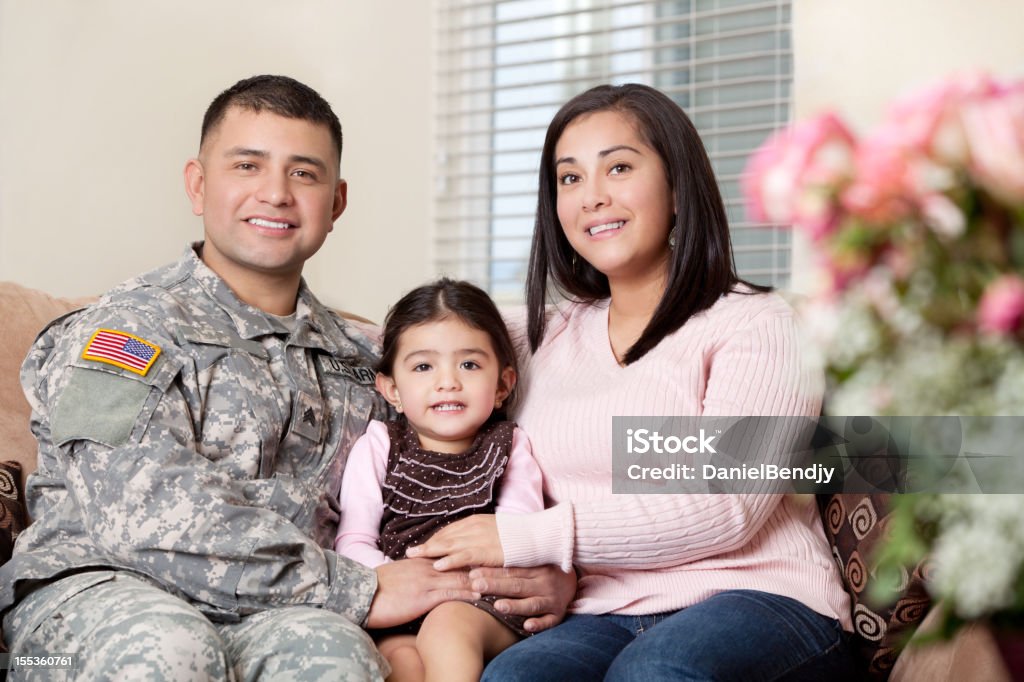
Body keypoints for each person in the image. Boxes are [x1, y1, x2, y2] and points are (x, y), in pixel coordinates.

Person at [0, 75, 573, 681]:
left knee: (340, 660)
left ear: (336, 202)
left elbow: (442, 485)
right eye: (247, 165)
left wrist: (534, 580)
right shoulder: (122, 330)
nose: (275, 193)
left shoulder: (369, 362)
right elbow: (138, 514)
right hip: (89, 602)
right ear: (198, 184)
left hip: (283, 613)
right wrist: (358, 589)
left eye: (303, 173)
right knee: (171, 652)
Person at [408, 83, 860, 680]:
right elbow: (402, 344)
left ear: (677, 186)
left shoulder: (758, 324)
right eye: (570, 179)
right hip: (602, 611)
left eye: (618, 167)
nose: (592, 197)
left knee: (656, 673)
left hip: (761, 596)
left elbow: (725, 506)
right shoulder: (535, 337)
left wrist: (525, 539)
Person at [336, 278, 545, 682]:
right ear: (392, 389)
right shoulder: (380, 443)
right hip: (399, 599)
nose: (447, 381)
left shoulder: (508, 445)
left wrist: (462, 585)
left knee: (447, 629)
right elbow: (354, 539)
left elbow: (520, 531)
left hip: (479, 601)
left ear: (502, 385)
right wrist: (398, 583)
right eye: (423, 366)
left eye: (469, 364)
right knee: (400, 662)